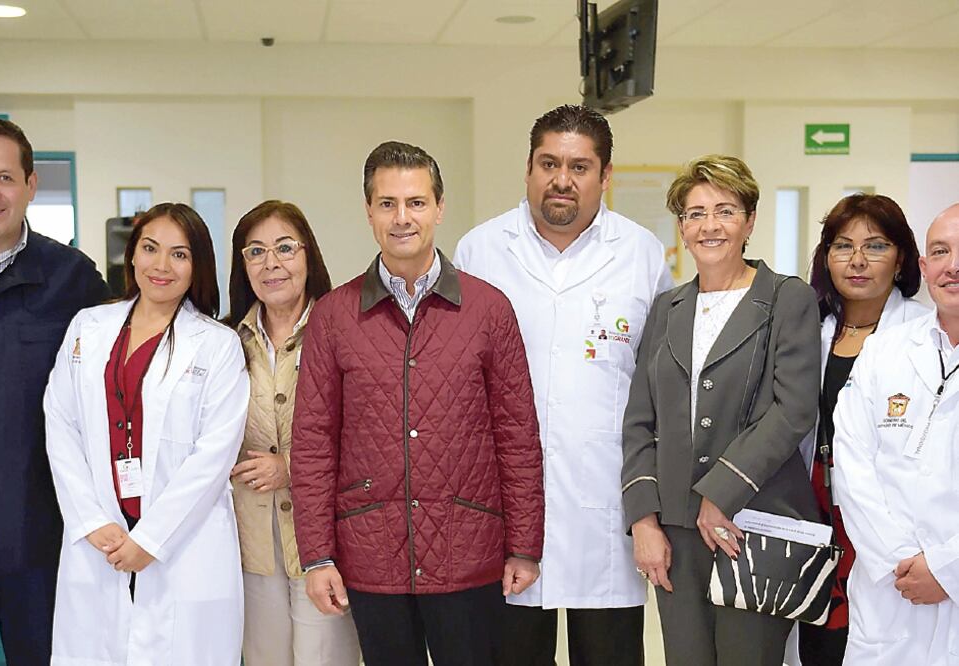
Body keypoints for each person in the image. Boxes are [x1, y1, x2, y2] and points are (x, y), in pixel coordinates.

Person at [290, 141, 545, 666]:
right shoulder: (334, 316)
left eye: (415, 202)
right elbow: (313, 443)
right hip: (370, 553)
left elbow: (517, 435)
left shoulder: (489, 309)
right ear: (368, 211)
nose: (402, 217)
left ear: (439, 207)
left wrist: (523, 544)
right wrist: (316, 555)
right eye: (387, 203)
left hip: (469, 550)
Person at [454, 104, 671, 665]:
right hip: (504, 511)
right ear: (528, 168)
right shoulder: (479, 251)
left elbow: (659, 388)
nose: (562, 180)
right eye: (549, 163)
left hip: (606, 506)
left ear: (605, 176)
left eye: (579, 166)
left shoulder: (641, 254)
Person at [621, 155, 822, 665]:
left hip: (754, 524)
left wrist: (722, 492)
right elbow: (640, 422)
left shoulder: (787, 298)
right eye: (695, 213)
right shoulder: (667, 309)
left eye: (725, 210)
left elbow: (793, 408)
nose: (710, 225)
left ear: (750, 221)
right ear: (682, 228)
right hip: (676, 532)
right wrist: (644, 520)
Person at [43, 203, 249, 664]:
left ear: (197, 266)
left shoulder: (218, 345)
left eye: (179, 254)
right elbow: (60, 423)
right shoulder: (88, 327)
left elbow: (214, 456)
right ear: (131, 255)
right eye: (150, 249)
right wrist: (92, 520)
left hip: (185, 546)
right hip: (102, 537)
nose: (161, 265)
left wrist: (150, 539)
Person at [0, 118, 109, 664]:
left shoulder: (73, 278)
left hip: (40, 535)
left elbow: (116, 387)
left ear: (30, 185)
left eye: (4, 177)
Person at [792, 194, 928, 665]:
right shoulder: (809, 329)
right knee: (818, 639)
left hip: (883, 516)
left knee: (878, 636)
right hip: (814, 509)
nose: (856, 261)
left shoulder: (925, 333)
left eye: (875, 246)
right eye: (842, 246)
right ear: (825, 256)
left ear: (902, 259)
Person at [227, 200, 361, 665]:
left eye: (285, 248)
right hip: (251, 545)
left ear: (308, 255)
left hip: (326, 544)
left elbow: (372, 435)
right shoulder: (225, 342)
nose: (272, 264)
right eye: (256, 251)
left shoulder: (345, 331)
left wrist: (292, 467)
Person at [832, 203, 959, 666]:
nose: (953, 266)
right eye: (941, 252)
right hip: (890, 592)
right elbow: (851, 464)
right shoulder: (885, 351)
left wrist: (948, 569)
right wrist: (900, 561)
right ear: (924, 267)